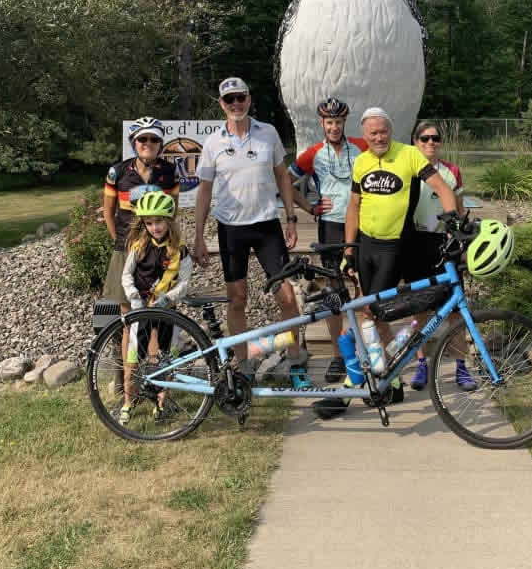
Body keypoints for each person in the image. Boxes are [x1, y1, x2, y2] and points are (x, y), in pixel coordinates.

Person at [313, 107, 458, 418]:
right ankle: (388, 380)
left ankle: (354, 389)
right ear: (364, 135)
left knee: (370, 314)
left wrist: (453, 224)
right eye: (372, 133)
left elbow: (442, 188)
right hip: (365, 245)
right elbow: (353, 206)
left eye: (383, 131)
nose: (378, 137)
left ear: (391, 132)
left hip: (394, 247)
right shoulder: (362, 161)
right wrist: (349, 249)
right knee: (371, 318)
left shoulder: (408, 155)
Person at [193, 77, 310, 389]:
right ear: (222, 104)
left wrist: (291, 219)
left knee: (286, 297)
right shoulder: (213, 142)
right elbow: (204, 190)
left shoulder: (267, 132)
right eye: (229, 100)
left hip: (266, 226)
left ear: (248, 99)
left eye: (240, 98)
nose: (235, 104)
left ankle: (296, 360)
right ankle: (243, 365)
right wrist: (198, 235)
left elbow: (283, 177)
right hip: (231, 229)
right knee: (237, 300)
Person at [290, 97, 367, 382]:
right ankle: (338, 355)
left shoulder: (361, 147)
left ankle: (362, 351)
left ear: (345, 122)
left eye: (339, 122)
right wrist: (308, 207)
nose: (334, 127)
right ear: (322, 123)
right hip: (331, 227)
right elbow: (284, 180)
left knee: (364, 289)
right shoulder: (313, 154)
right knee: (334, 291)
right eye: (329, 122)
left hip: (362, 224)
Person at [405, 121, 476, 392]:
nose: (430, 143)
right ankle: (422, 364)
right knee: (419, 307)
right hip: (417, 241)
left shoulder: (451, 171)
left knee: (455, 310)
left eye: (435, 139)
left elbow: (459, 210)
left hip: (445, 241)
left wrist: (463, 244)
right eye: (424, 139)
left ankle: (461, 366)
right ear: (415, 142)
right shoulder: (408, 170)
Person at [119, 190, 191, 424]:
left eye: (159, 221)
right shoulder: (138, 246)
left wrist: (167, 298)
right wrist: (132, 296)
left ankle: (161, 403)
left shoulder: (181, 251)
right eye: (149, 223)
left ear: (168, 221)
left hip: (168, 311)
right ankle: (128, 403)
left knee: (166, 358)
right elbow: (126, 275)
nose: (154, 227)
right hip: (141, 310)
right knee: (133, 358)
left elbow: (185, 284)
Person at [102, 116, 178, 306]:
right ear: (134, 142)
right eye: (142, 139)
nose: (148, 143)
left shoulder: (170, 172)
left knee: (159, 302)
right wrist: (118, 240)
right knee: (126, 305)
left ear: (160, 144)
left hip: (158, 247)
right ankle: (129, 335)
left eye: (154, 139)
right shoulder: (117, 172)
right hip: (126, 246)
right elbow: (108, 213)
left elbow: (173, 212)